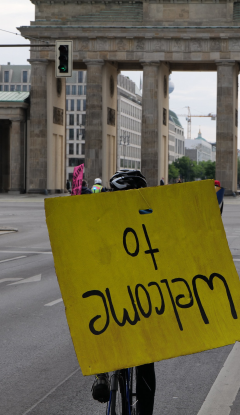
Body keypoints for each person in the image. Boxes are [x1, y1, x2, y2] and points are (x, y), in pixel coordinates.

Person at [91, 169, 155, 415]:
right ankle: (145, 410)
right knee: (147, 360)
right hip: (142, 298)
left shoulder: (101, 215)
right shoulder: (148, 214)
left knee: (100, 325)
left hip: (113, 293)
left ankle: (101, 375)